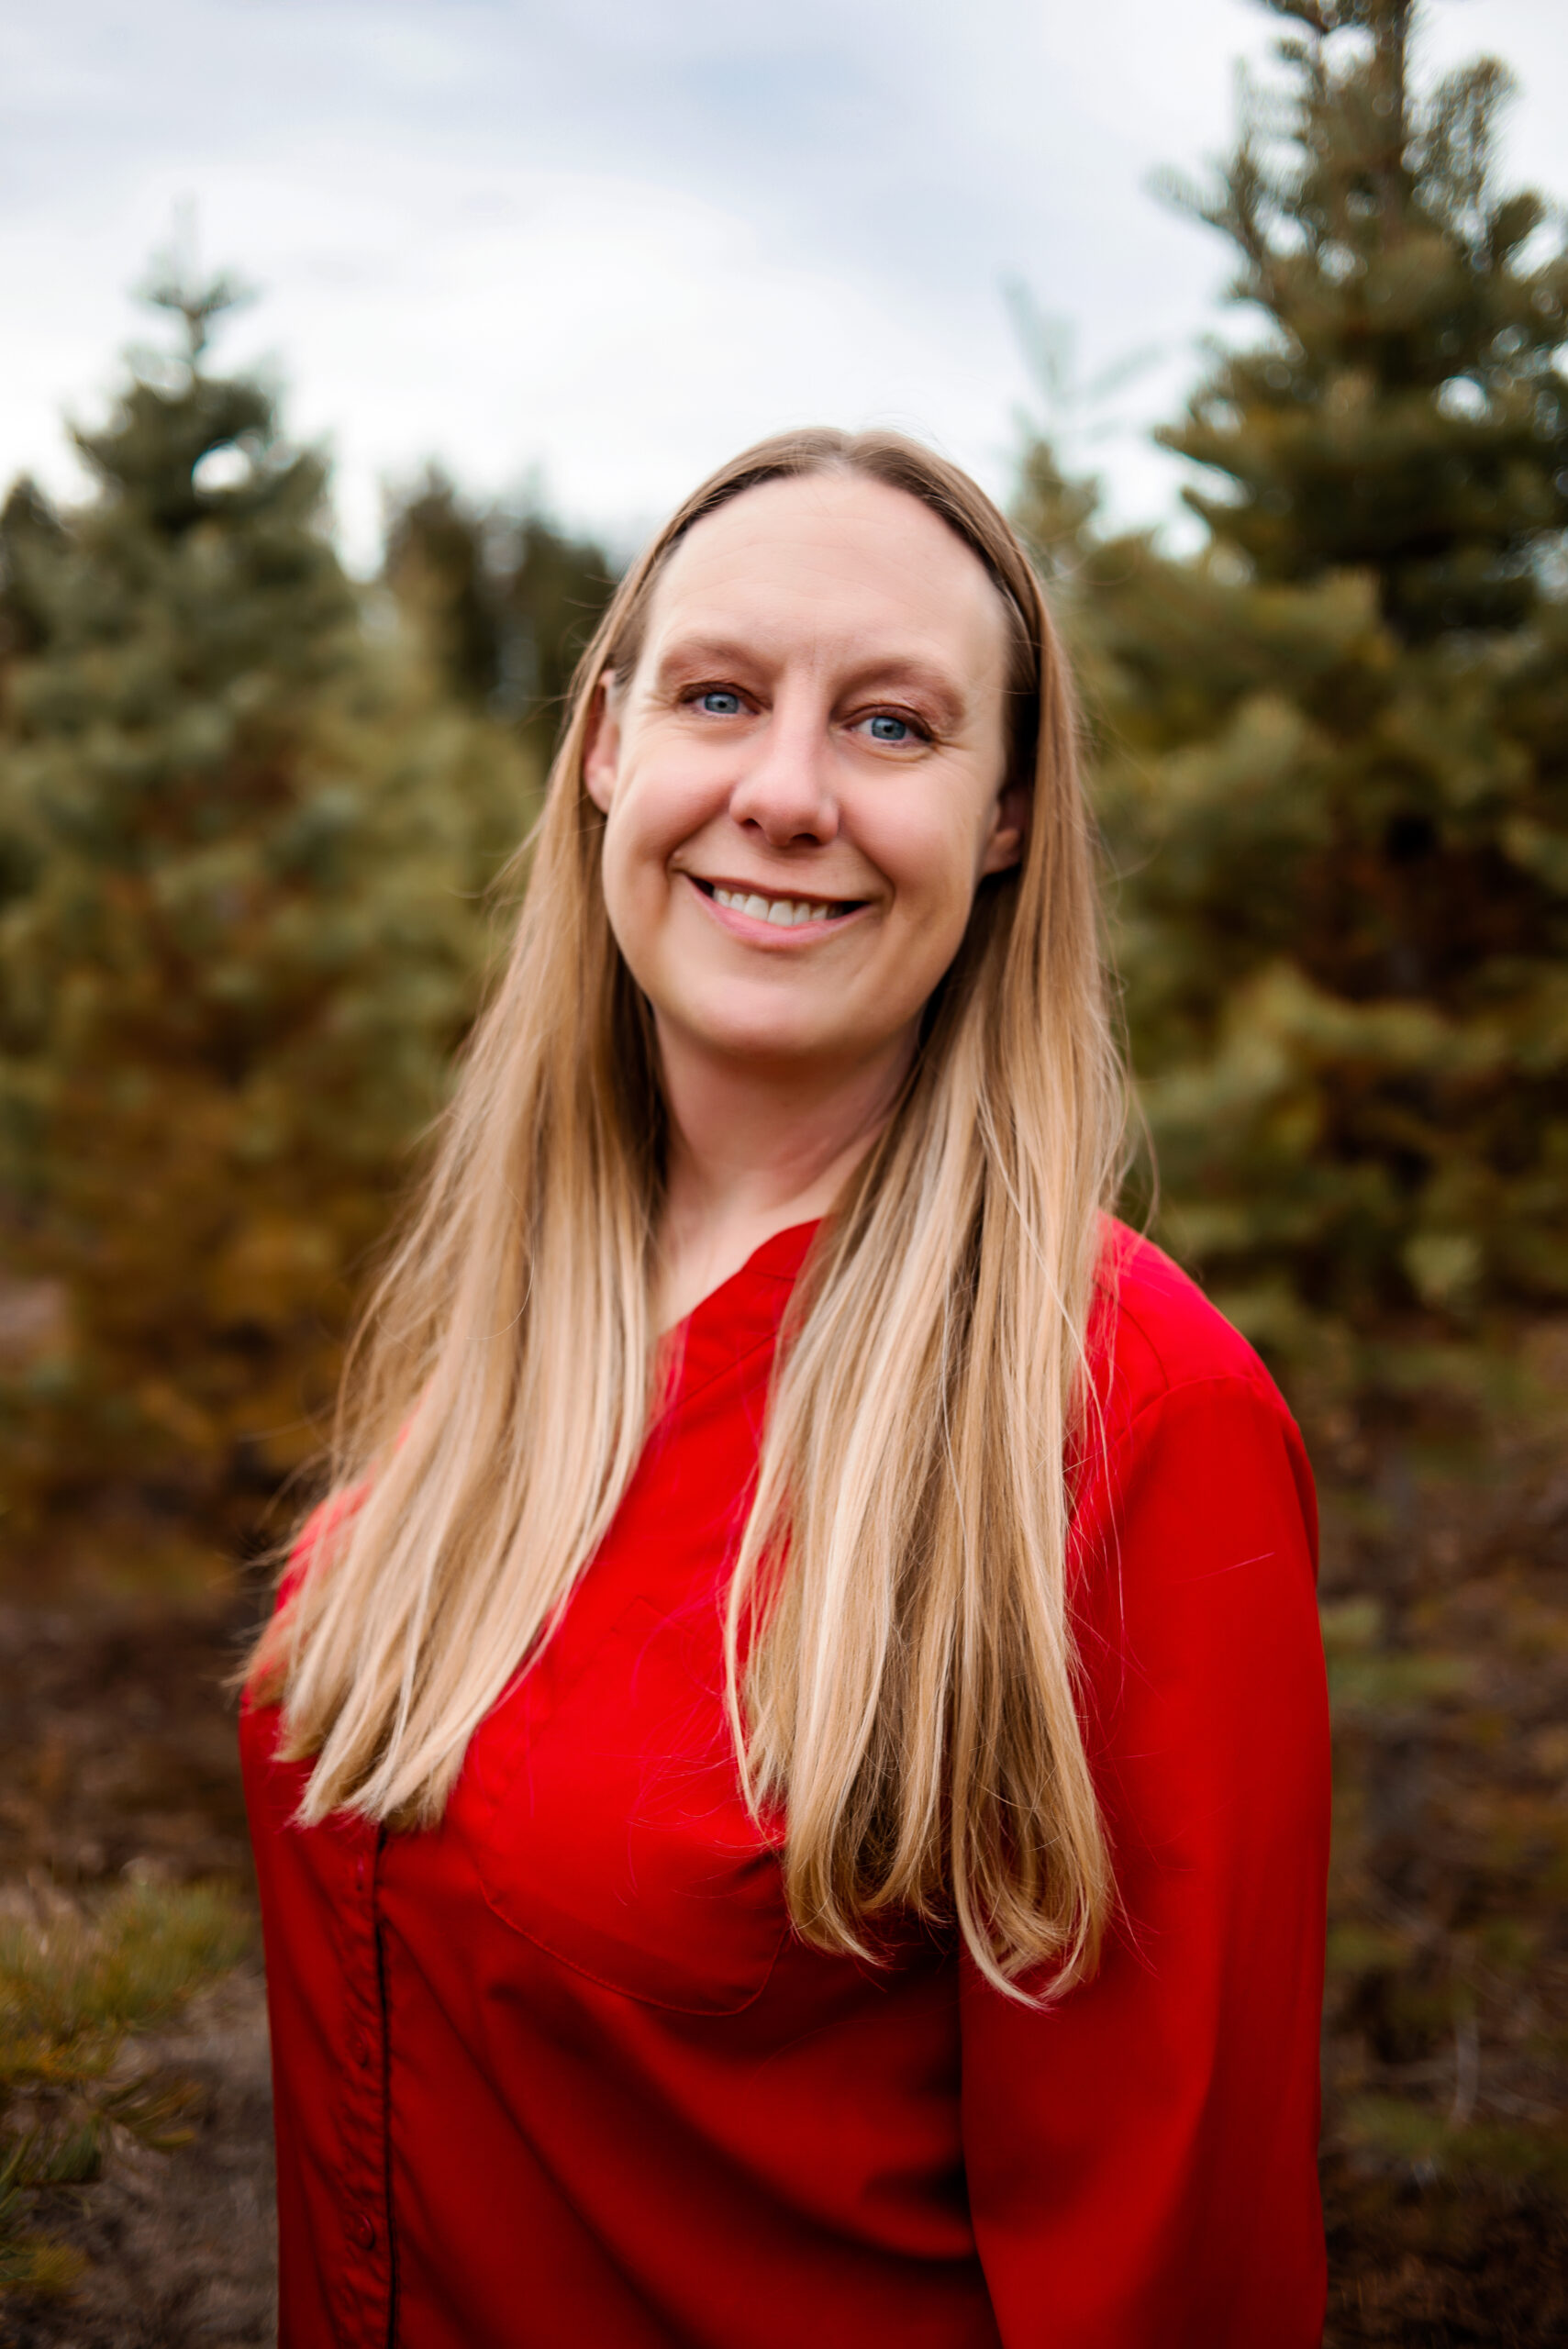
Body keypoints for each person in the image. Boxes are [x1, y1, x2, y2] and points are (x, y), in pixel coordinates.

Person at [241, 429, 1330, 2349]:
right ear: (605, 746)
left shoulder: (1124, 1417)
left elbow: (1177, 2273)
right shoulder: (519, 1314)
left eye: (895, 725)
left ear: (1005, 815)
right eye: (721, 694)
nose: (786, 791)